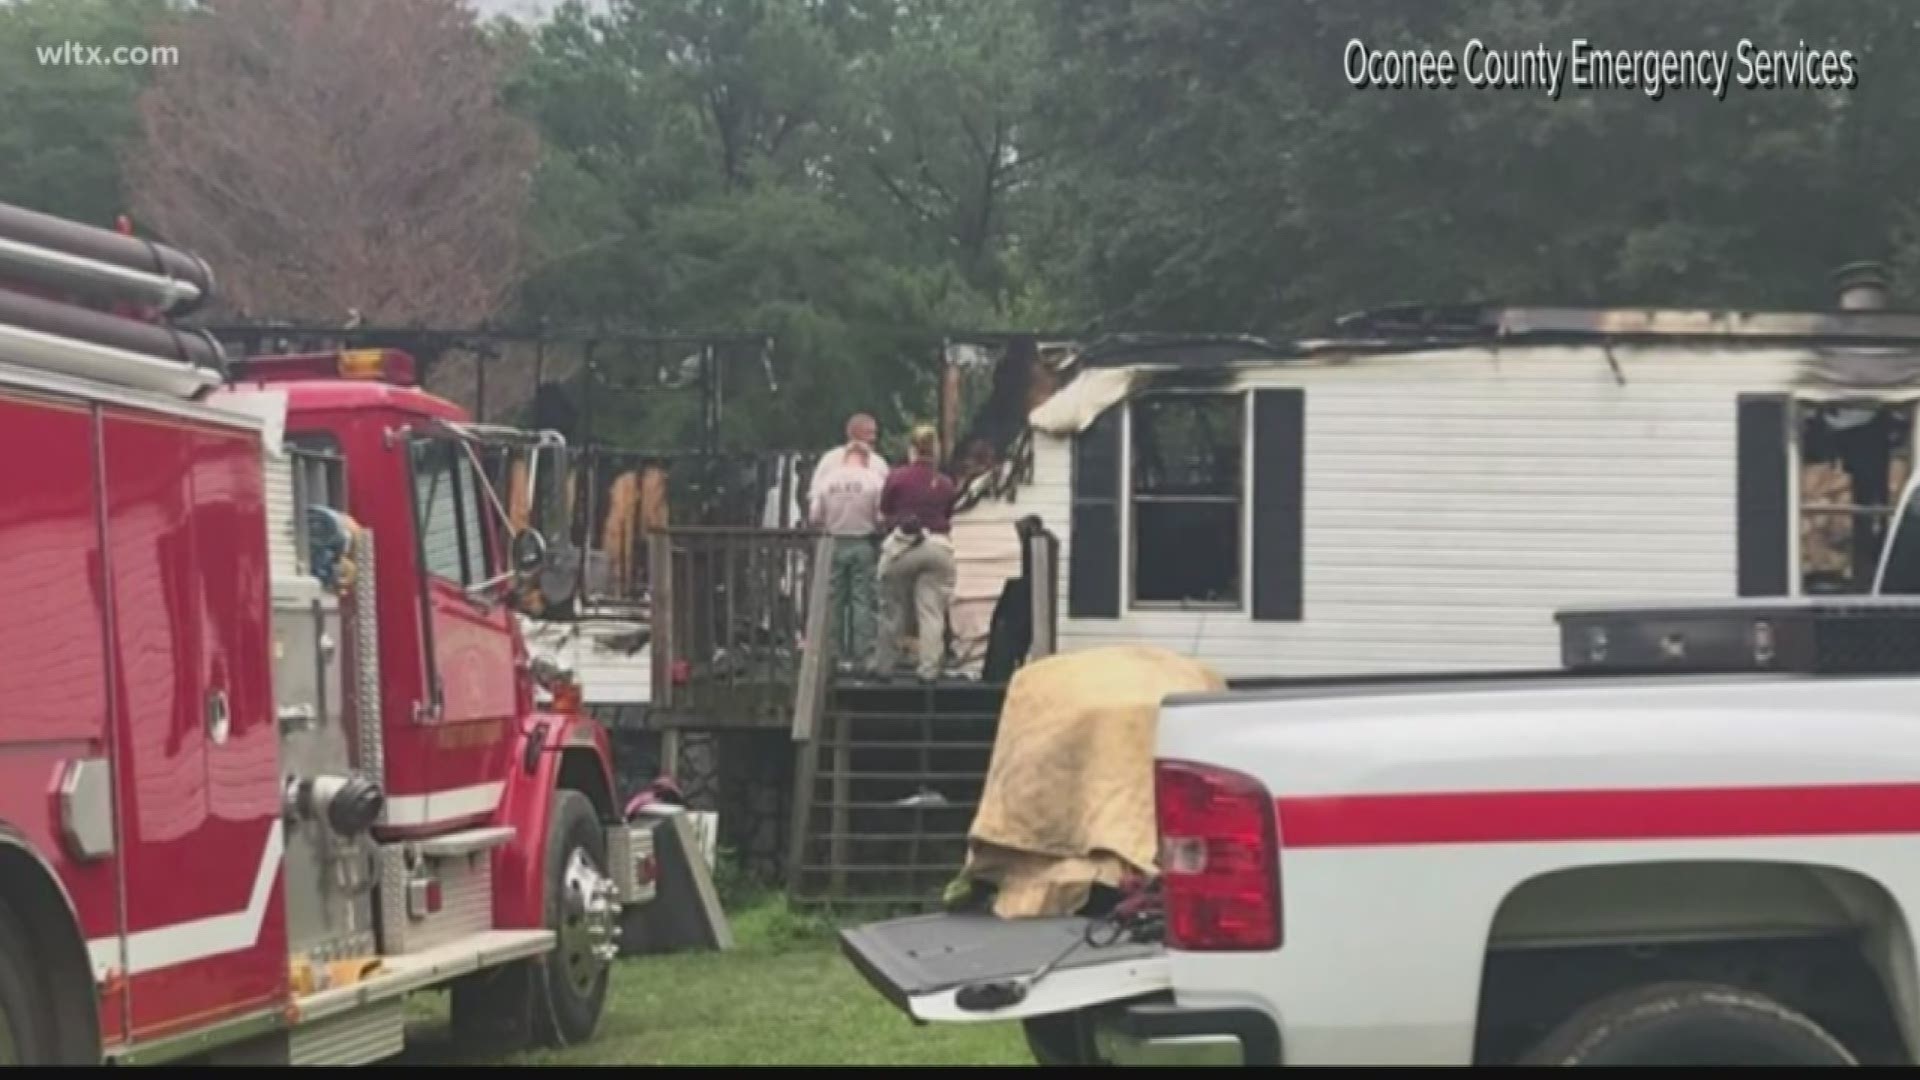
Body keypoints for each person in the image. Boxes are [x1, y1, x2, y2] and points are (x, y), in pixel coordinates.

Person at [873, 424, 958, 682]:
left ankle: (883, 666)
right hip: (939, 548)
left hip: (904, 547)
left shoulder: (898, 477)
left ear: (912, 449)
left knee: (893, 607)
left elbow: (885, 508)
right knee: (931, 611)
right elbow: (948, 513)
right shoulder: (945, 483)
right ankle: (929, 669)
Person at [809, 436, 885, 671]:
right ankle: (863, 654)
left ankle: (832, 654)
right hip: (863, 542)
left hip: (833, 542)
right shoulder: (874, 480)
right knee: (862, 598)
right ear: (865, 459)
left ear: (846, 458)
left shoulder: (828, 480)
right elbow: (881, 516)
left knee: (834, 599)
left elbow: (814, 516)